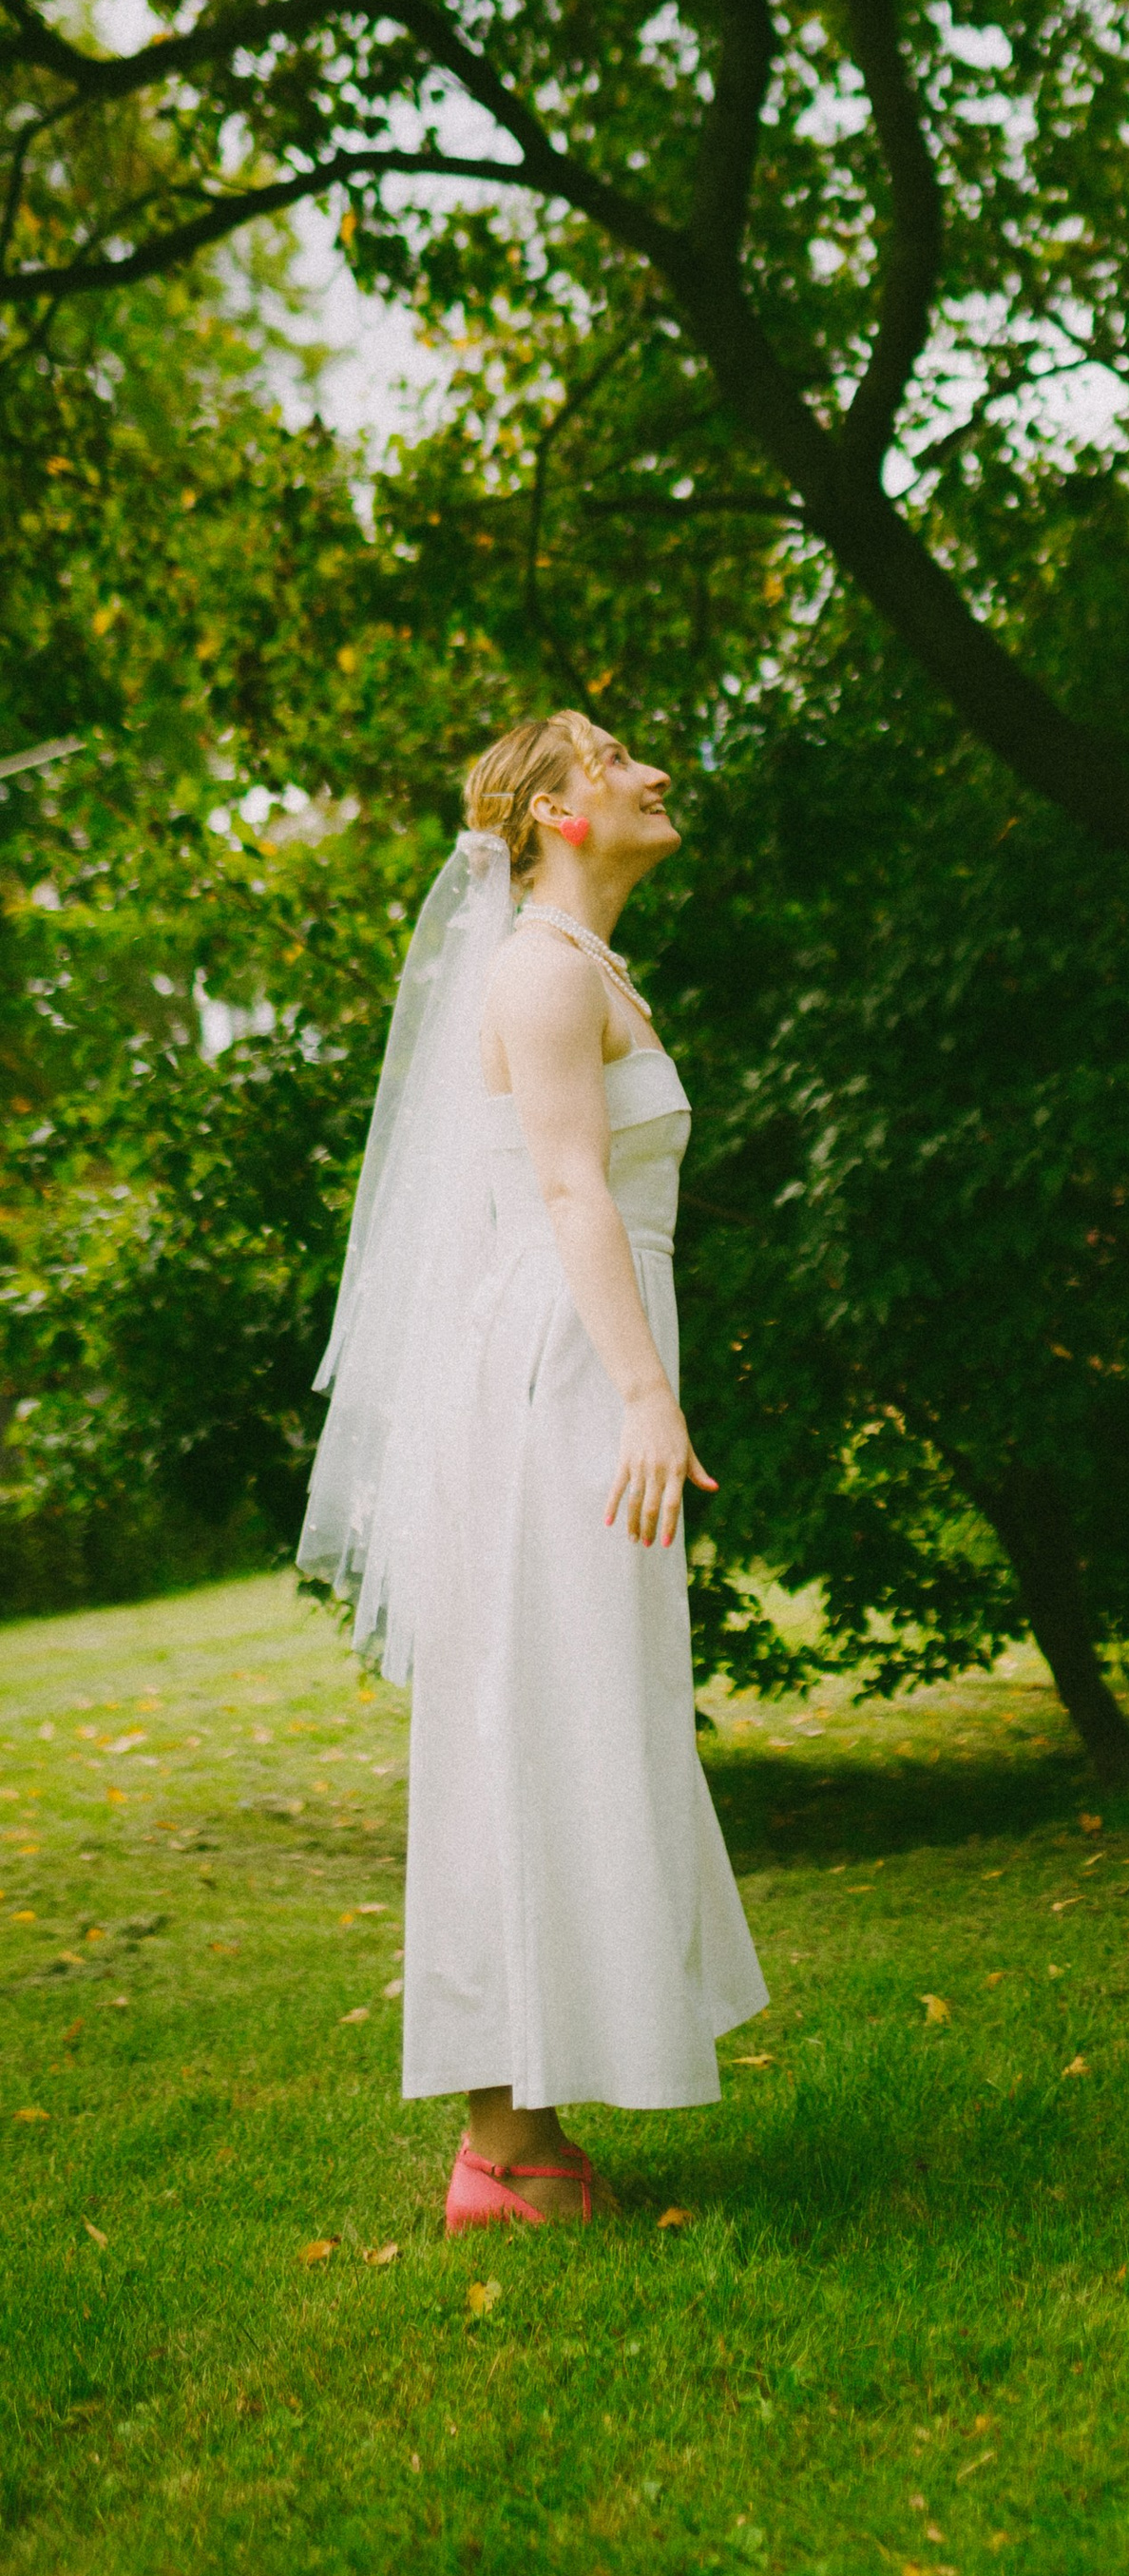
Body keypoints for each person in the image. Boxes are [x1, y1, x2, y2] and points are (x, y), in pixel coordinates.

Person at [298, 713, 765, 2229]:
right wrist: (641, 1391)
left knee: (576, 1715)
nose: (651, 770)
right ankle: (500, 2152)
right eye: (618, 756)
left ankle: (527, 2139)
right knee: (539, 1717)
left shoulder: (594, 969)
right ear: (560, 811)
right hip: (565, 1369)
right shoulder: (544, 971)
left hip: (593, 1349)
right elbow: (568, 1185)